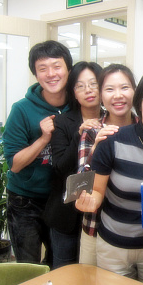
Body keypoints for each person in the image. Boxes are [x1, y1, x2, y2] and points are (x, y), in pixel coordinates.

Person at [75, 70, 143, 285]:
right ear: (139, 102)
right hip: (113, 248)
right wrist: (89, 200)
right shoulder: (112, 139)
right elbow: (98, 191)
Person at [2, 40, 72, 266]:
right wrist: (43, 139)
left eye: (57, 66)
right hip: (26, 201)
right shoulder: (21, 109)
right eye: (43, 68)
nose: (51, 74)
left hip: (62, 199)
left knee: (59, 264)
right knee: (28, 267)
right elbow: (15, 164)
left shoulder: (77, 106)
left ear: (68, 69)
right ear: (35, 74)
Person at [77, 64, 139, 266]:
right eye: (110, 89)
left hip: (141, 232)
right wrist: (96, 148)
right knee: (90, 282)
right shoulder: (92, 130)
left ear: (135, 91)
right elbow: (81, 186)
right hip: (95, 227)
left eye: (125, 87)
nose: (118, 95)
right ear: (101, 95)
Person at [45, 61, 102, 268]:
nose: (88, 90)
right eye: (80, 86)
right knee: (64, 272)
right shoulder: (62, 122)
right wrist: (80, 135)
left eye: (93, 84)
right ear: (73, 93)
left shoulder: (113, 120)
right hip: (66, 214)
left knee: (92, 273)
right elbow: (60, 168)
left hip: (99, 215)